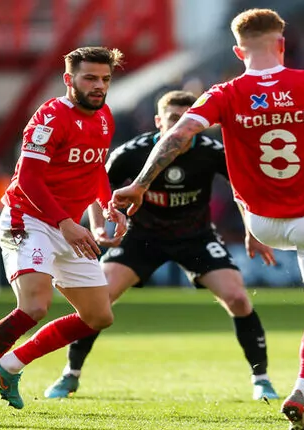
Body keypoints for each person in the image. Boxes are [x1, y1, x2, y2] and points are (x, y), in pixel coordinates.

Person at [112, 8, 304, 430]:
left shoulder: (224, 93)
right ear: (282, 44)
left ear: (238, 50)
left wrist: (140, 184)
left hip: (263, 222)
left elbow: (178, 136)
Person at [43, 90, 281, 402]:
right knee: (99, 299)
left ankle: (261, 379)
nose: (181, 128)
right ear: (158, 122)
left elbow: (242, 190)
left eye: (188, 120)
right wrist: (98, 225)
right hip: (142, 237)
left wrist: (253, 230)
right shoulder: (132, 152)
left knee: (237, 297)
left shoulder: (212, 151)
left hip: (195, 237)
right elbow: (95, 185)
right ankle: (70, 374)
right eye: (173, 120)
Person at [0, 47, 127, 416]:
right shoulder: (49, 117)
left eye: (105, 79)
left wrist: (106, 207)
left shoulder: (104, 115)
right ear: (69, 79)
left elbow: (94, 168)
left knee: (99, 317)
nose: (98, 86)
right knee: (34, 306)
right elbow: (28, 179)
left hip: (69, 225)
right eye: (90, 78)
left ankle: (9, 366)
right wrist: (65, 223)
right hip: (28, 220)